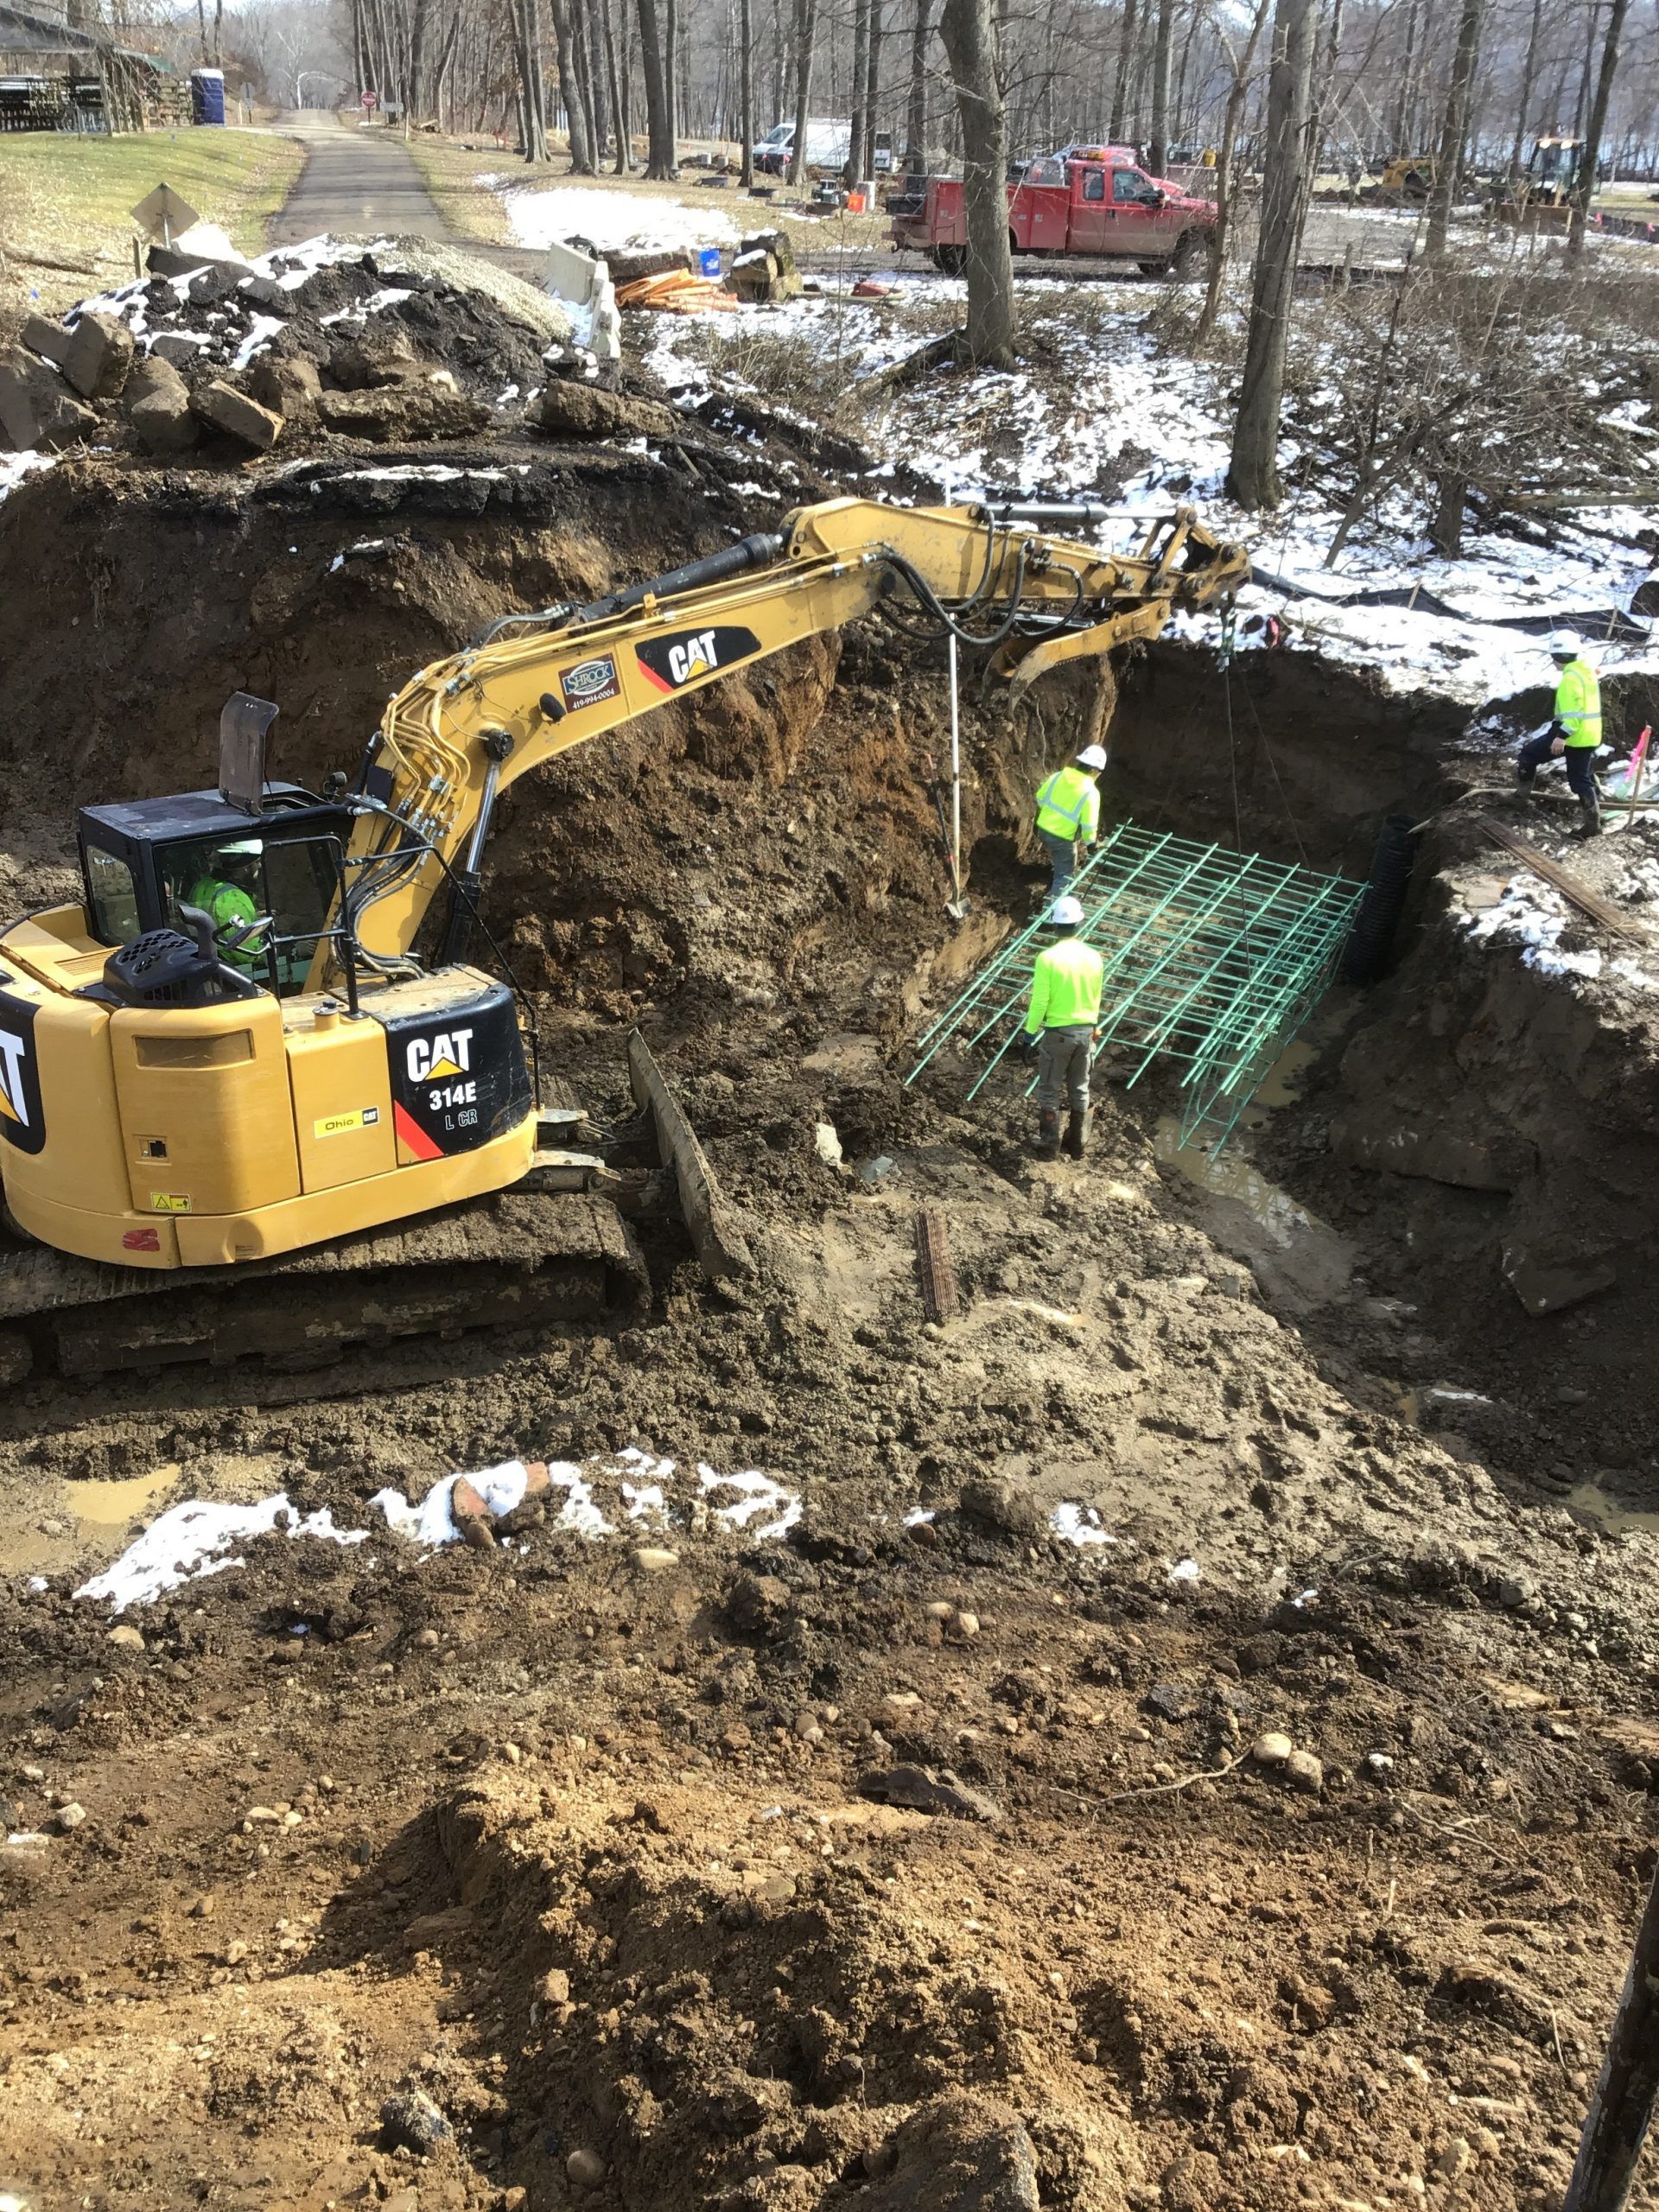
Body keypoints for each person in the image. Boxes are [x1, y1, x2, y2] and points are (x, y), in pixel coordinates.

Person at [1024, 894, 1105, 1160]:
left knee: (1049, 1087)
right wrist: (1093, 1026)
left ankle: (1049, 1146)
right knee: (1080, 1086)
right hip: (1086, 1032)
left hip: (1058, 1034)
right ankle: (1077, 1144)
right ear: (1080, 923)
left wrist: (1029, 1033)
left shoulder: (1047, 958)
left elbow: (1040, 1001)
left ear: (1055, 926)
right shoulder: (1095, 958)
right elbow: (1096, 996)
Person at [1516, 632, 1604, 836]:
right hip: (1590, 735)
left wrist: (1561, 737)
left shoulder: (1570, 679)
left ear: (1559, 656)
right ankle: (1593, 825)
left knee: (1528, 755)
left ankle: (1520, 799)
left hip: (1573, 735)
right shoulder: (1586, 671)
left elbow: (1574, 714)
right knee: (1581, 777)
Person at [1033, 744, 1107, 899]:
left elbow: (1040, 798)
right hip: (1062, 839)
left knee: (1059, 857)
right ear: (1094, 771)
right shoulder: (1091, 793)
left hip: (1041, 829)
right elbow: (1089, 825)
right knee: (1064, 876)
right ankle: (1052, 913)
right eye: (1099, 772)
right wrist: (1092, 845)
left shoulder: (1058, 776)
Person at [185, 842, 264, 968]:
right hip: (235, 973)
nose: (260, 865)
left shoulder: (204, 884)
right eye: (257, 861)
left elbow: (217, 921)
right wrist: (288, 949)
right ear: (245, 865)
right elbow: (249, 955)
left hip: (209, 963)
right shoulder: (232, 898)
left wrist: (253, 918)